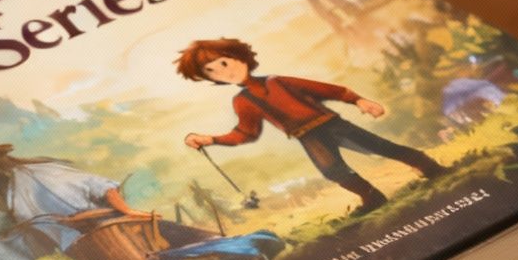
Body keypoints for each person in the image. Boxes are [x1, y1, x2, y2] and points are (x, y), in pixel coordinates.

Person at [178, 37, 445, 213]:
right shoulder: (243, 101)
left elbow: (326, 89)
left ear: (240, 57)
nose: (224, 72)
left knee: (382, 147)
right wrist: (210, 139)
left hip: (329, 124)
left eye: (224, 63)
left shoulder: (277, 81)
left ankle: (429, 167)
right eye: (212, 71)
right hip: (306, 136)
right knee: (332, 170)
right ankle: (372, 197)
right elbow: (245, 133)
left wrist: (359, 100)